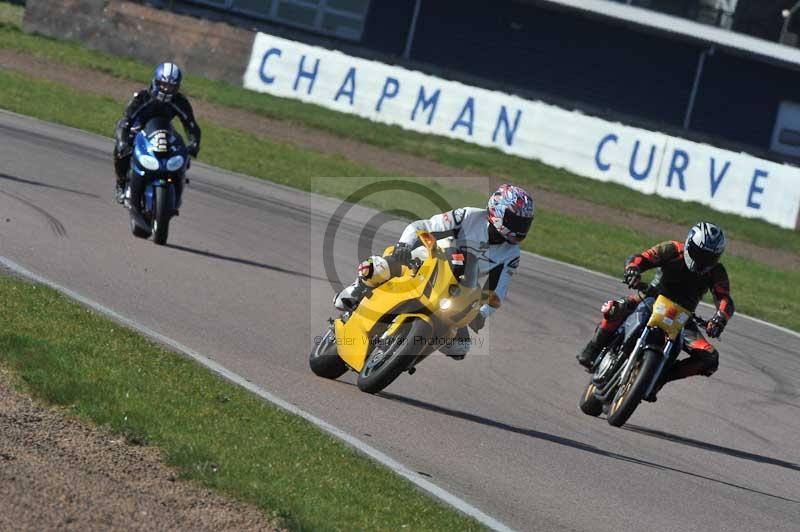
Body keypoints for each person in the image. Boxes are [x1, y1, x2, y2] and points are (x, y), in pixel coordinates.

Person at [334, 184, 535, 360]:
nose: (519, 228)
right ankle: (358, 288)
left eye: (524, 223)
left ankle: (408, 356)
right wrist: (403, 246)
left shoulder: (511, 254)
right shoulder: (468, 216)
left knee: (459, 346)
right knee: (383, 267)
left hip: (458, 288)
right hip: (428, 261)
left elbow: (497, 292)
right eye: (515, 221)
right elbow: (423, 226)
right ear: (496, 211)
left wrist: (480, 314)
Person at [576, 222, 734, 401]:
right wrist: (633, 271)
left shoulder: (716, 272)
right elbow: (641, 258)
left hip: (682, 317)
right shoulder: (672, 249)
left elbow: (725, 299)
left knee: (709, 358)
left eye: (709, 257)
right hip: (650, 298)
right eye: (700, 254)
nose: (703, 261)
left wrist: (720, 318)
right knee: (615, 308)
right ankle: (594, 348)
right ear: (689, 244)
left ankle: (659, 378)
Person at [113, 62, 201, 207]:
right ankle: (121, 185)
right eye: (164, 85)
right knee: (121, 150)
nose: (167, 90)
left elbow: (191, 125)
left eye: (172, 87)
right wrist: (123, 142)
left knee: (182, 156)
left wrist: (194, 143)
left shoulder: (180, 102)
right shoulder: (142, 97)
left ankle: (177, 189)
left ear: (177, 87)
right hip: (138, 130)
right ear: (156, 82)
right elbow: (125, 122)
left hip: (163, 131)